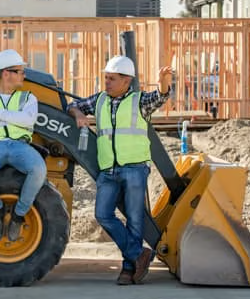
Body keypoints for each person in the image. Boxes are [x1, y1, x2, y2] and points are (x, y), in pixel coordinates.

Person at [67, 55, 173, 286]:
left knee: (135, 220)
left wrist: (163, 82)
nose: (107, 82)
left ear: (126, 81)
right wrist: (79, 115)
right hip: (108, 170)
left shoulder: (139, 101)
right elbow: (72, 105)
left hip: (135, 168)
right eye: (106, 78)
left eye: (112, 79)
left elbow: (161, 96)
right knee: (103, 215)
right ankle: (139, 254)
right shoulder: (100, 100)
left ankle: (128, 269)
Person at [0, 49, 47, 242]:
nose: (24, 75)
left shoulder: (28, 98)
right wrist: (13, 120)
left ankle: (18, 216)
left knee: (38, 169)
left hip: (20, 146)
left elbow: (28, 121)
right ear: (6, 73)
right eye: (19, 71)